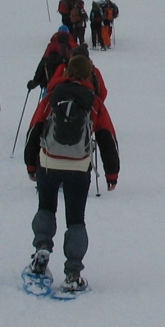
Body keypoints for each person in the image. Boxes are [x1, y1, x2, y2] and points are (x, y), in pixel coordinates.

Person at [23, 54, 120, 293]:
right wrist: (112, 173)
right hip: (78, 167)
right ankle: (73, 273)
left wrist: (31, 165)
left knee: (46, 207)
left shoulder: (51, 98)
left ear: (66, 72)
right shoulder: (94, 102)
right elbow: (107, 138)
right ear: (89, 75)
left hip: (49, 163)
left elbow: (34, 130)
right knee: (75, 219)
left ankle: (42, 249)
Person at [27, 27, 77, 93]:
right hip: (65, 85)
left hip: (48, 84)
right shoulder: (71, 48)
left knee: (47, 100)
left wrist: (35, 82)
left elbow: (42, 63)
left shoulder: (51, 47)